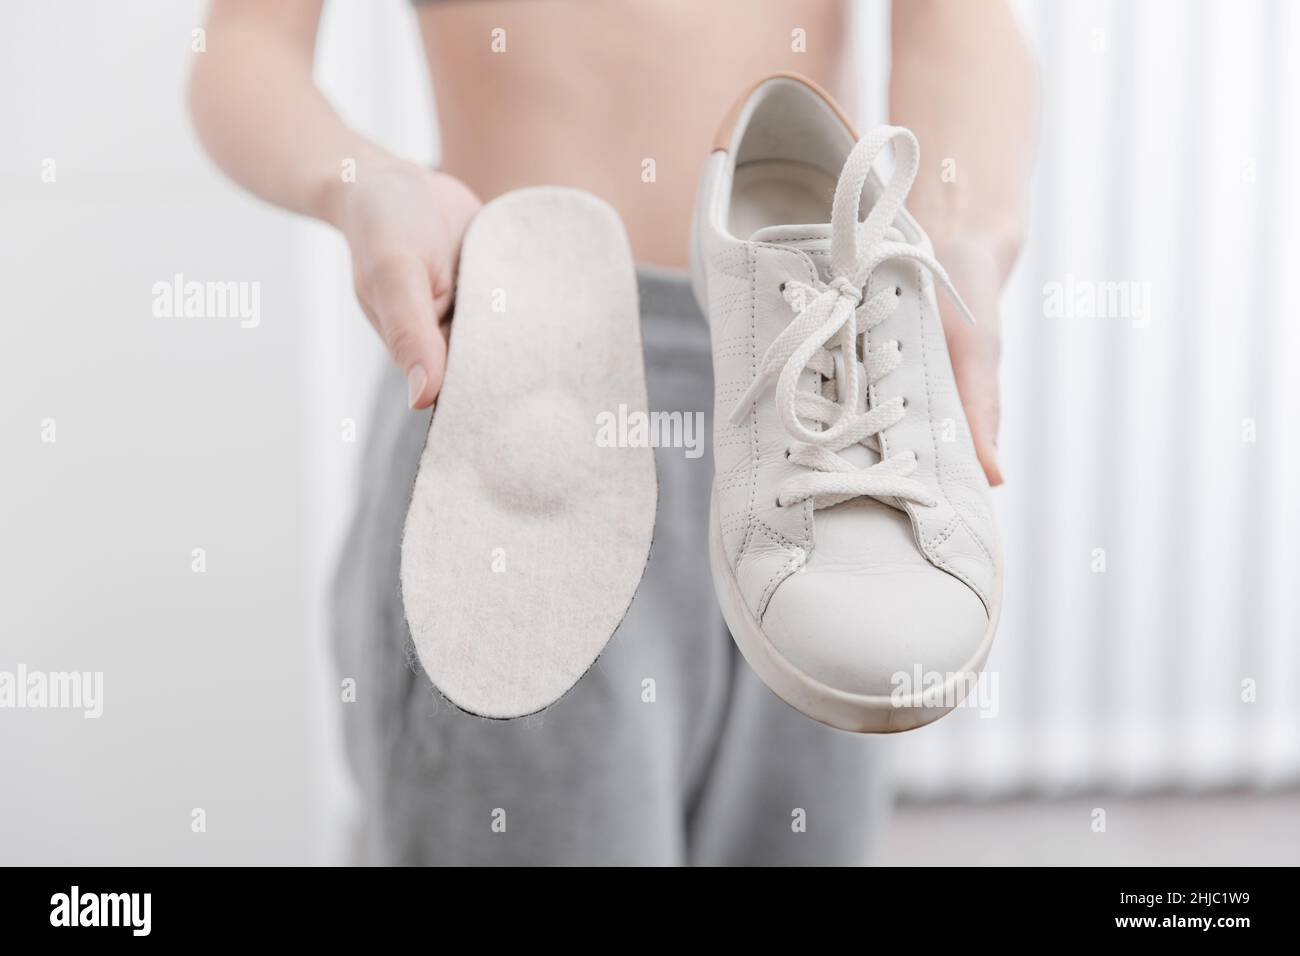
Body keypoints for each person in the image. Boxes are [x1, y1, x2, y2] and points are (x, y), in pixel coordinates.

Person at [189, 0, 1037, 865]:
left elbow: (953, 16)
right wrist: (360, 180)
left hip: (834, 431)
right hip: (514, 419)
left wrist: (957, 233)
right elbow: (245, 41)